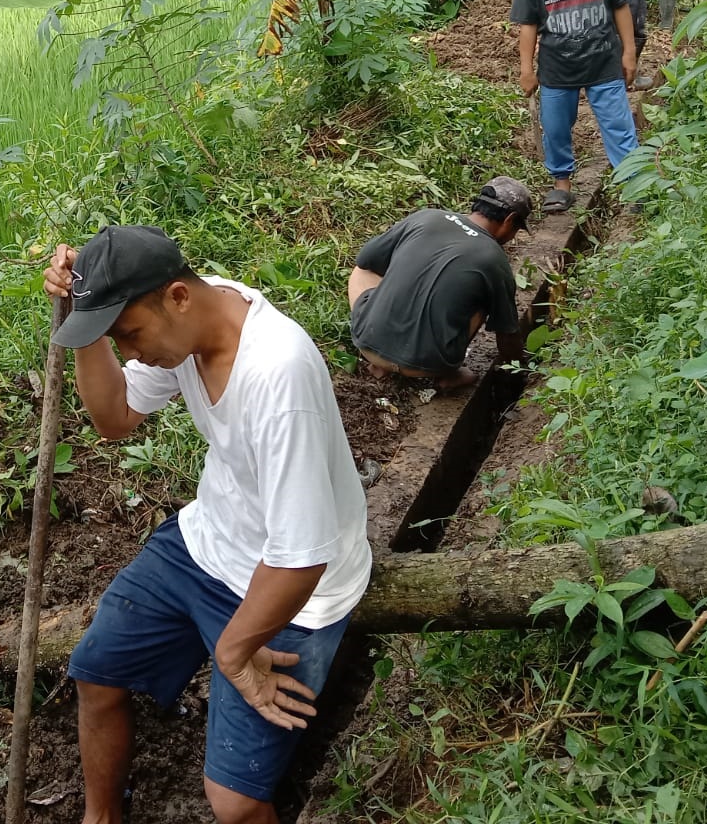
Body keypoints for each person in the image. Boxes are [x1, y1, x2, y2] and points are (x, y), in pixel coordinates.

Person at [43, 225, 372, 824]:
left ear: (177, 297)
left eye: (131, 334)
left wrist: (235, 650)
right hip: (207, 542)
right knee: (95, 674)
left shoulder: (278, 373)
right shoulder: (193, 324)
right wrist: (85, 323)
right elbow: (115, 418)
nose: (133, 353)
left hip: (296, 586)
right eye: (119, 340)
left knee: (236, 802)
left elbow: (302, 556)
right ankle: (101, 817)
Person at [512, 0, 639, 214]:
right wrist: (526, 69)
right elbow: (527, 24)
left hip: (603, 61)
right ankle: (562, 184)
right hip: (557, 67)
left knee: (618, 125)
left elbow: (620, 6)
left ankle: (634, 184)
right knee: (555, 129)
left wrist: (629, 51)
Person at [348, 177, 530, 389]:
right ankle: (448, 375)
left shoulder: (426, 217)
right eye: (516, 230)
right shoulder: (494, 259)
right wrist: (519, 372)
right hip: (429, 365)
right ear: (510, 220)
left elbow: (366, 260)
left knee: (363, 270)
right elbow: (507, 335)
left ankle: (381, 359)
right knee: (483, 300)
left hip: (367, 344)